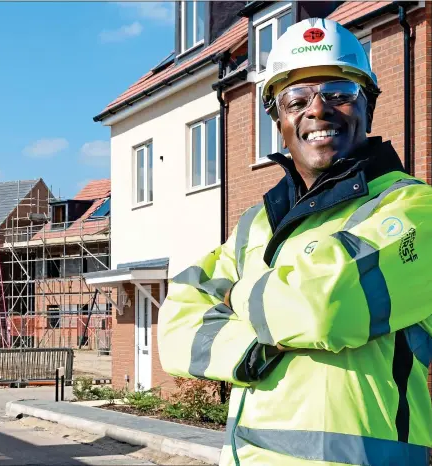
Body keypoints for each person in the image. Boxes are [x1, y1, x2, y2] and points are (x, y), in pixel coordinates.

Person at [158, 18, 432, 466]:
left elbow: (323, 308)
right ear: (277, 119)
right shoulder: (256, 224)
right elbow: (176, 328)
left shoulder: (412, 208)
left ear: (369, 106)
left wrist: (237, 292)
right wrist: (256, 348)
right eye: (296, 99)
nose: (317, 109)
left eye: (339, 94)